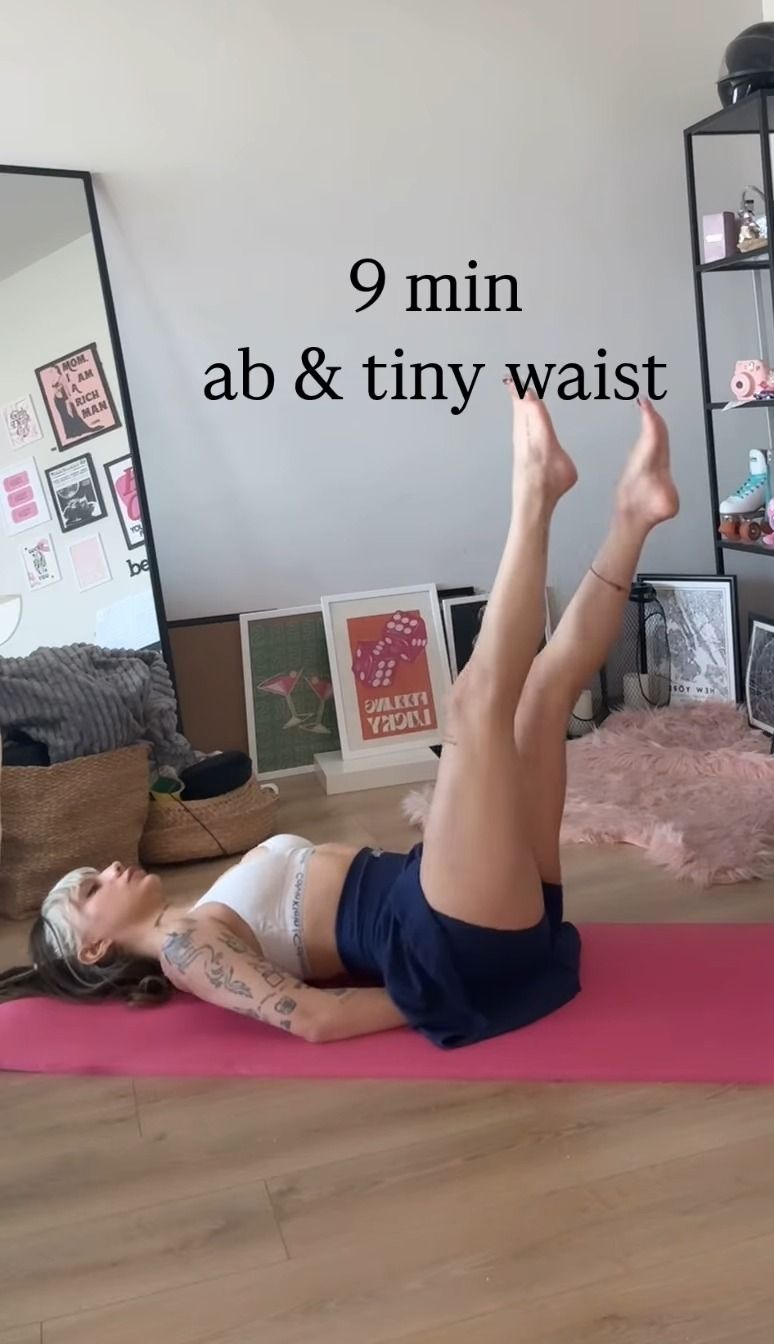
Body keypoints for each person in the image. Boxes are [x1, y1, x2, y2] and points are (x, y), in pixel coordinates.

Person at [0, 391, 678, 1049]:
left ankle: (635, 512)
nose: (109, 869)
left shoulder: (196, 919)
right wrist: (440, 995)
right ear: (94, 948)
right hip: (446, 935)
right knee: (476, 707)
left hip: (463, 909)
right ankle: (535, 491)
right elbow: (312, 1018)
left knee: (541, 697)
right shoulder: (183, 949)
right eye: (91, 890)